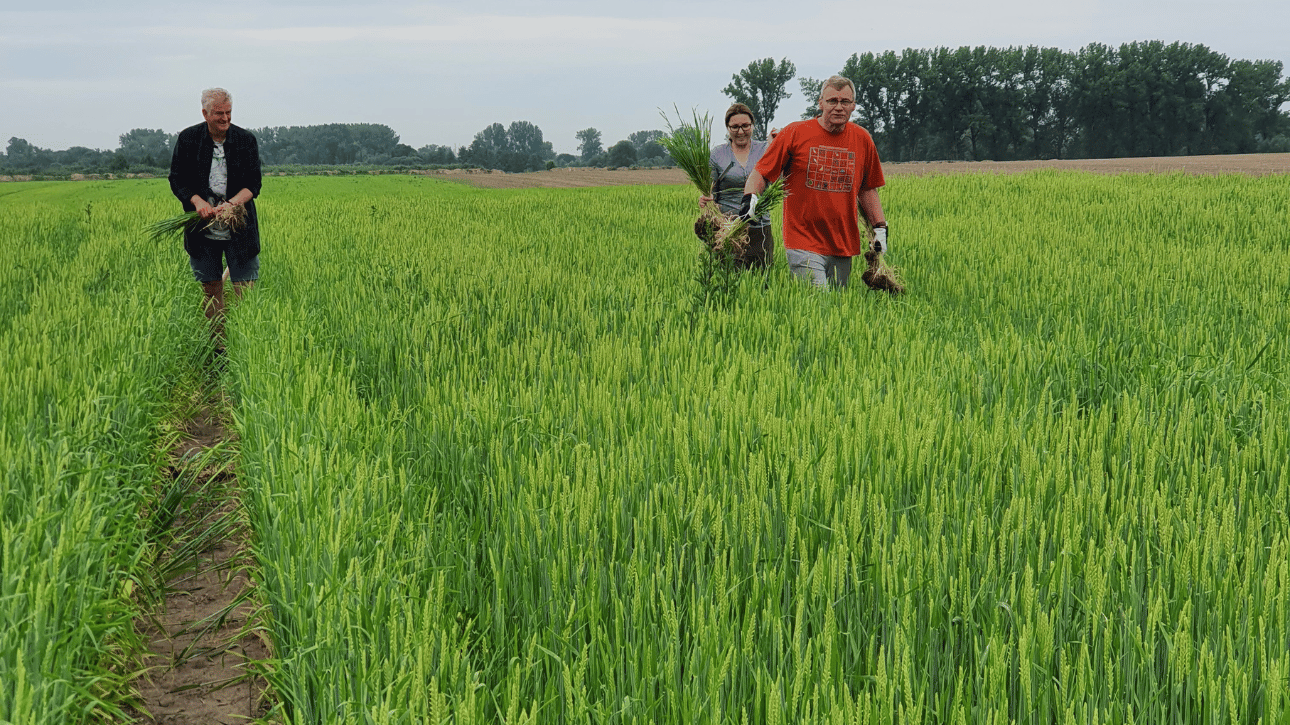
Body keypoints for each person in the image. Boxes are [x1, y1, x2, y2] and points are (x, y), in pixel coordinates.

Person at [741, 75, 887, 287]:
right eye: (832, 101)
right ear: (820, 103)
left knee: (837, 310)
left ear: (853, 106)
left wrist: (880, 228)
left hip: (842, 243)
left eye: (845, 101)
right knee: (817, 306)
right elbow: (762, 172)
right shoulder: (795, 133)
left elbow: (867, 189)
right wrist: (750, 197)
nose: (838, 107)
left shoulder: (862, 139)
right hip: (803, 241)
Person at [168, 87, 262, 341]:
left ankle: (245, 345)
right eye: (219, 113)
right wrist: (197, 201)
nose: (225, 119)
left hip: (239, 227)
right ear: (205, 113)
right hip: (202, 229)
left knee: (244, 289)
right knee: (211, 288)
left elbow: (254, 184)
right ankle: (218, 346)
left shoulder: (245, 140)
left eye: (228, 113)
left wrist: (232, 204)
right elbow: (177, 179)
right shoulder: (189, 140)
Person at [700, 102, 775, 269]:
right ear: (728, 128)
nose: (740, 131)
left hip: (759, 225)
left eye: (745, 126)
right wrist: (706, 199)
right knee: (728, 278)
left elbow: (779, 177)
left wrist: (776, 144)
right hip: (728, 228)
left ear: (753, 126)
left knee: (762, 280)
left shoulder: (765, 149)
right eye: (734, 127)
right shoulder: (717, 154)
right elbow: (710, 189)